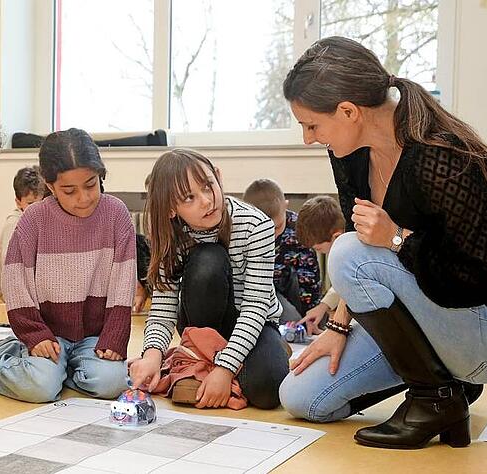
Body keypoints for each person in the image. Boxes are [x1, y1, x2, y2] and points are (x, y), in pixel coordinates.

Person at [278, 36, 487, 449]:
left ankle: (436, 398)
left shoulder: (445, 158)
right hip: (427, 320)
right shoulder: (350, 153)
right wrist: (338, 326)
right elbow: (368, 249)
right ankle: (444, 383)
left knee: (349, 250)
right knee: (302, 397)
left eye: (312, 125)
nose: (308, 138)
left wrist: (398, 239)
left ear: (349, 111)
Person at [0, 128, 135, 403]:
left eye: (91, 184)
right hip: (47, 333)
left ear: (100, 175)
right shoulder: (34, 219)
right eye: (69, 190)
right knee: (40, 388)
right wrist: (34, 334)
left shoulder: (116, 214)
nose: (84, 197)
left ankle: (60, 371)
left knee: (112, 384)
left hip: (93, 334)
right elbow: (15, 283)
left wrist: (114, 336)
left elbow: (124, 283)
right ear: (50, 186)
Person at [128, 149, 289, 410]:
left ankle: (229, 362)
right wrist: (152, 356)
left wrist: (225, 369)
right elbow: (163, 308)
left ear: (219, 178)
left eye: (208, 187)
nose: (206, 201)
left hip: (253, 320)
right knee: (208, 258)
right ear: (171, 209)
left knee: (268, 392)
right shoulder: (170, 234)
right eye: (189, 198)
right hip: (202, 323)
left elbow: (255, 307)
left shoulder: (257, 225)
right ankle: (198, 359)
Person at [243, 179, 322, 323]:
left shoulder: (299, 229)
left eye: (277, 227)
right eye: (264, 230)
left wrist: (312, 311)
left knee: (318, 319)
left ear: (286, 206)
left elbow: (309, 275)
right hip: (264, 293)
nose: (271, 235)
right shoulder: (243, 232)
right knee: (291, 320)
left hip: (292, 284)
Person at [294, 195, 346, 335]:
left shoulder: (350, 254)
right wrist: (323, 306)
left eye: (318, 249)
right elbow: (340, 285)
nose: (320, 253)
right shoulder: (342, 247)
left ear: (336, 236)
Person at [0, 165, 45, 301]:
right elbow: (8, 264)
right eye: (30, 203)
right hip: (16, 292)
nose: (36, 209)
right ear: (18, 202)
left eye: (40, 203)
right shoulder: (14, 223)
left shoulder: (39, 220)